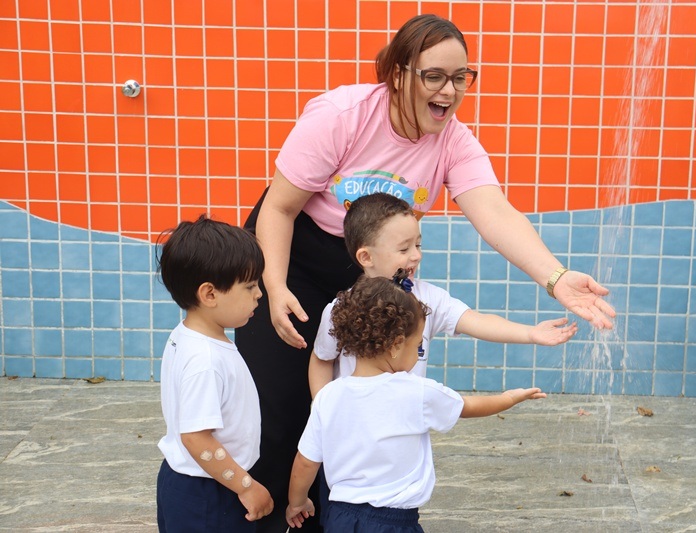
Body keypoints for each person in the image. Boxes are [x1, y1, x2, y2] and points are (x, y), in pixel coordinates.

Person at [235, 13, 616, 532]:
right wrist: (276, 286)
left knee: (356, 422)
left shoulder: (454, 141)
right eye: (434, 76)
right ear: (398, 74)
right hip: (293, 257)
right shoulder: (342, 116)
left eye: (461, 77)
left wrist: (555, 277)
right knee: (279, 407)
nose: (450, 90)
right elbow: (278, 208)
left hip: (371, 276)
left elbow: (494, 211)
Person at [285, 274, 549, 530]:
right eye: (417, 347)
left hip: (340, 517)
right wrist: (508, 398)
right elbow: (467, 407)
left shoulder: (328, 396)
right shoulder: (415, 392)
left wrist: (297, 502)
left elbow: (306, 461)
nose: (418, 353)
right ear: (396, 346)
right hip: (392, 522)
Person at [309, 192, 578, 395]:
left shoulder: (428, 298)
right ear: (366, 257)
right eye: (404, 249)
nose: (416, 255)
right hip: (353, 427)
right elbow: (322, 359)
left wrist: (530, 333)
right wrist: (322, 409)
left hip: (406, 425)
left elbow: (475, 321)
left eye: (418, 245)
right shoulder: (341, 308)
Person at [155, 215, 273, 532]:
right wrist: (246, 486)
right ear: (209, 294)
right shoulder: (204, 359)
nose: (259, 294)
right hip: (209, 490)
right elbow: (196, 437)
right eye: (250, 286)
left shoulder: (187, 335)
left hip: (201, 480)